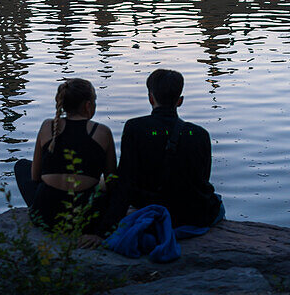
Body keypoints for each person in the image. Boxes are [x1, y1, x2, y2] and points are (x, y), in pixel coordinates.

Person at [118, 68, 222, 227]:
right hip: (192, 212)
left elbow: (126, 178)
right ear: (180, 101)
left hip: (149, 206)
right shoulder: (200, 134)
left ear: (151, 98)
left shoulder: (134, 128)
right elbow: (203, 178)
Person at [14, 78, 117, 233]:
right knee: (103, 184)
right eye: (94, 100)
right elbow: (112, 183)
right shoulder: (102, 132)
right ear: (88, 105)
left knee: (21, 166)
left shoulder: (47, 126)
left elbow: (35, 177)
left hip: (45, 217)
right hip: (84, 219)